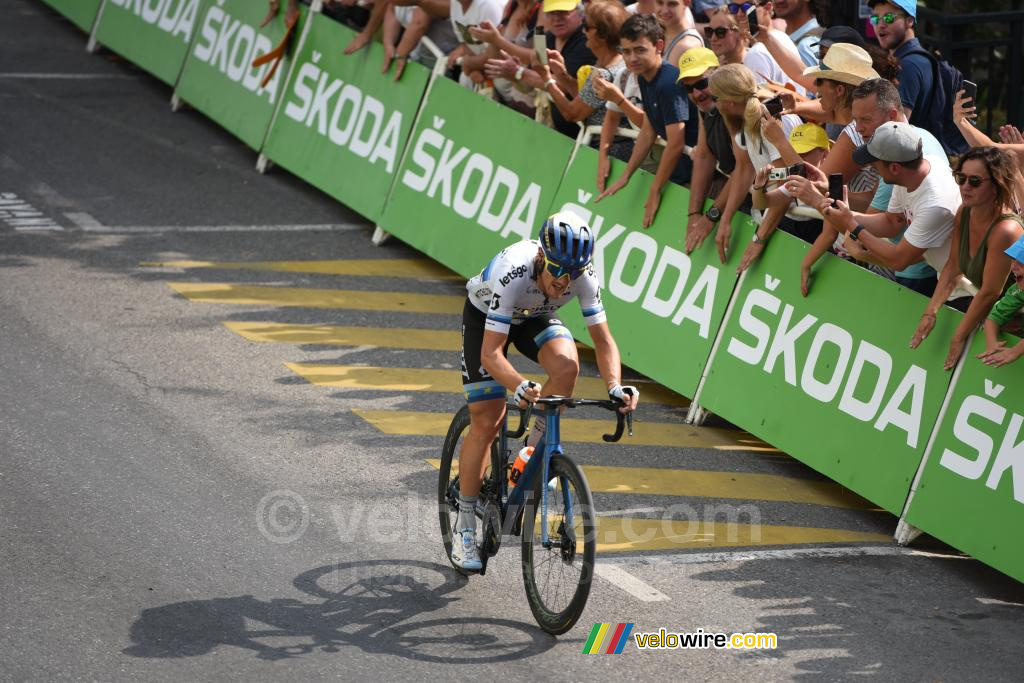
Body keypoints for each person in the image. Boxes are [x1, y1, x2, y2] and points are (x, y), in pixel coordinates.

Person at [452, 211, 640, 570]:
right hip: (486, 318)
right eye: (557, 270)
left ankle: (528, 455)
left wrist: (615, 386)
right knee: (489, 418)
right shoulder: (514, 270)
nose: (564, 281)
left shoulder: (581, 277)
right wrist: (519, 385)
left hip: (533, 316)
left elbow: (603, 341)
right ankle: (463, 528)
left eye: (572, 273)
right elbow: (491, 354)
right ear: (541, 258)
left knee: (567, 367)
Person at [788, 78, 948, 296]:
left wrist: (823, 205)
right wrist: (826, 193)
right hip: (917, 267)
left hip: (920, 275)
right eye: (855, 120)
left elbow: (897, 257)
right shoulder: (908, 152)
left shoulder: (909, 171)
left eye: (865, 119)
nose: (859, 128)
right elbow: (891, 221)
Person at [809, 122, 961, 297]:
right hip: (947, 278)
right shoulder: (914, 171)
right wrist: (845, 213)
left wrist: (852, 225)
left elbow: (899, 260)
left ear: (895, 167)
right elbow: (891, 221)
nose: (874, 170)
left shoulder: (934, 205)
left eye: (875, 165)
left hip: (964, 290)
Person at [909, 147, 1024, 370]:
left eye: (975, 181)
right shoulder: (965, 211)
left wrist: (958, 336)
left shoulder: (1006, 230)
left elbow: (990, 292)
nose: (964, 187)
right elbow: (953, 266)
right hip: (999, 323)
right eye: (960, 178)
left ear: (997, 183)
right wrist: (930, 312)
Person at [685, 63, 802, 261]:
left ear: (729, 102)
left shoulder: (767, 119)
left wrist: (759, 238)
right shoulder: (741, 117)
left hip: (798, 219)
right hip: (778, 212)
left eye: (715, 98)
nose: (713, 104)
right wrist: (724, 220)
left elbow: (786, 183)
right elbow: (744, 168)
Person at [596, 14, 692, 227]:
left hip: (701, 176)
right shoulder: (643, 76)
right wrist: (626, 175)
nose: (632, 59)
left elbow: (675, 144)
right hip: (681, 171)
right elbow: (649, 131)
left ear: (659, 45)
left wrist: (655, 189)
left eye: (640, 50)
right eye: (626, 51)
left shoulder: (668, 82)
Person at [534, 0, 629, 140]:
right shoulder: (617, 60)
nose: (583, 30)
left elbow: (572, 113)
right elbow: (585, 98)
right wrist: (562, 75)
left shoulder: (604, 74)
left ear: (602, 35)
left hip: (606, 152)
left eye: (586, 26)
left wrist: (546, 78)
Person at [678, 47, 742, 241]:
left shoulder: (735, 107)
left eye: (701, 83)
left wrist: (711, 216)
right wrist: (694, 214)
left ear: (718, 73)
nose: (696, 94)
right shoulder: (707, 107)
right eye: (689, 89)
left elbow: (745, 168)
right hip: (740, 190)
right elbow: (704, 156)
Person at [705, 4, 804, 96]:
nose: (713, 38)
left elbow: (759, 107)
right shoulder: (716, 71)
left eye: (720, 32)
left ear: (739, 30)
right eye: (709, 31)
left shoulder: (756, 56)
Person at [979, 235, 1024, 368]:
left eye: (1021, 262)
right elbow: (994, 317)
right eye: (1013, 260)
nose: (1014, 267)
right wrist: (992, 343)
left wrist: (1015, 351)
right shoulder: (1018, 290)